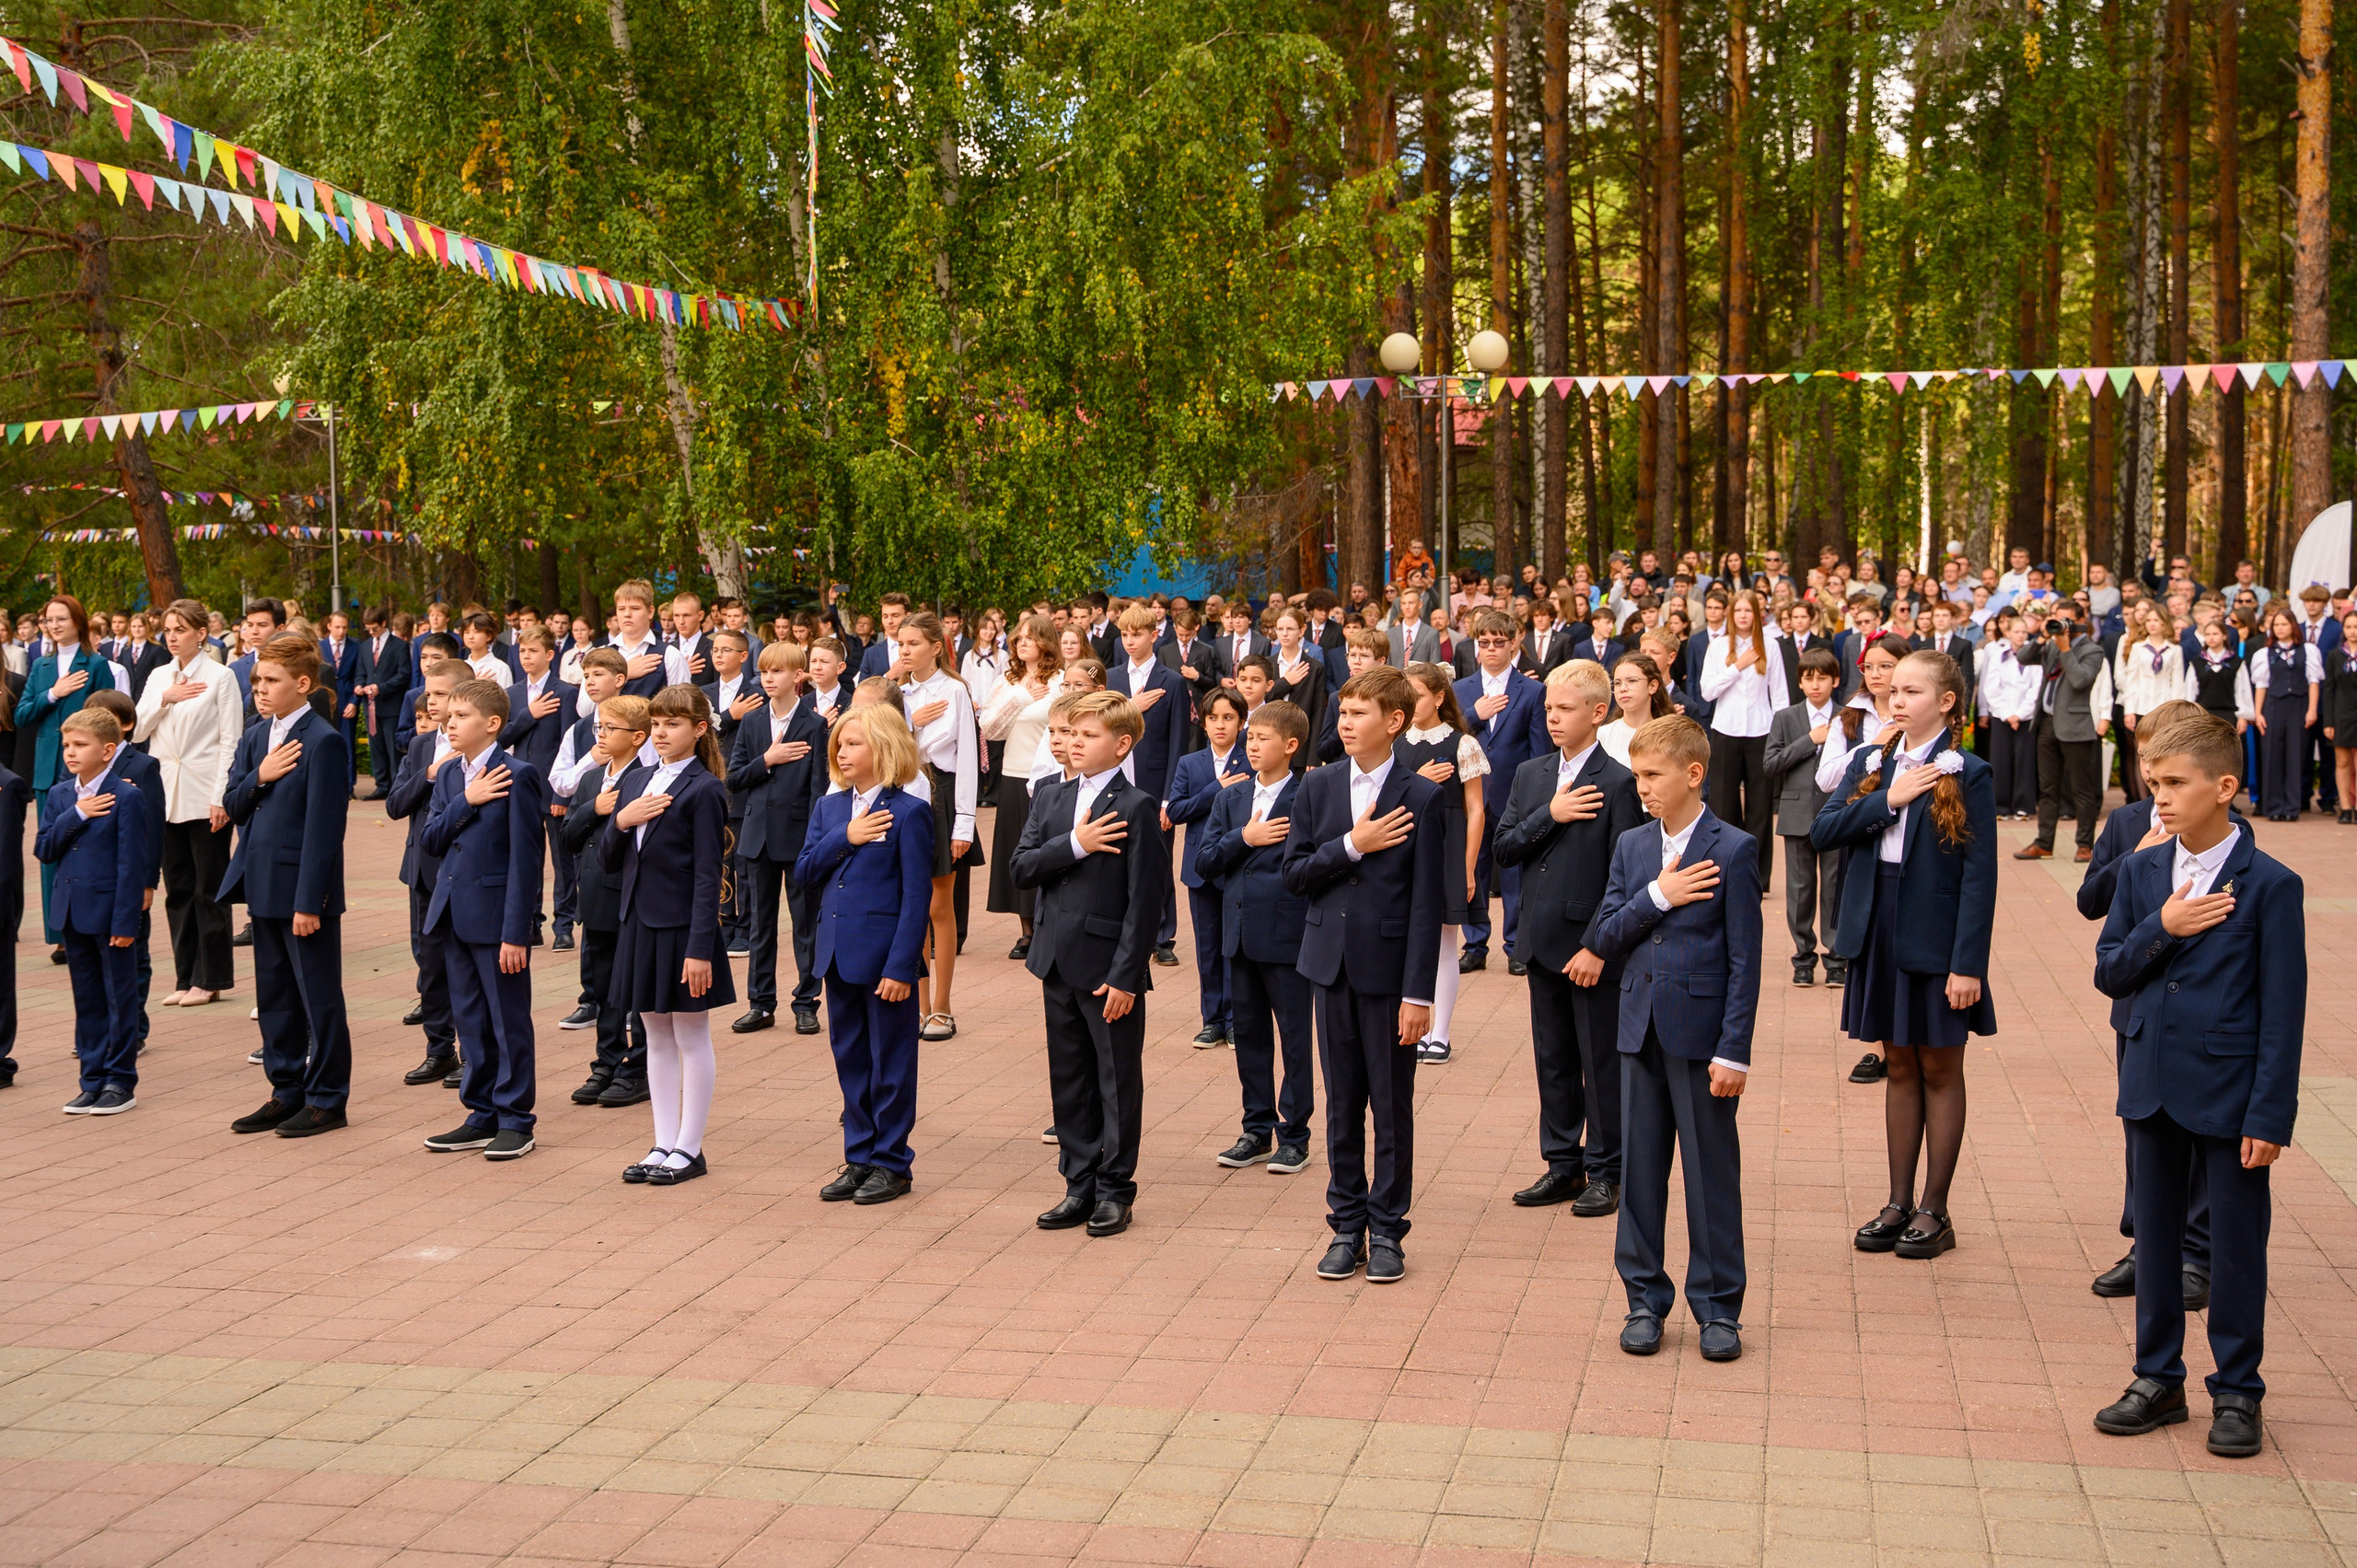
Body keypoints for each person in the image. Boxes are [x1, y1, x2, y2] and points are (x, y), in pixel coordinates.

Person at [2091, 707, 2304, 1460]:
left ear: (2225, 786)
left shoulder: (2272, 884)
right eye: (2152, 784)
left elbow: (2284, 1009)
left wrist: (2271, 1114)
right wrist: (2165, 927)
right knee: (2153, 1241)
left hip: (2229, 1093)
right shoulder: (2144, 869)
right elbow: (2108, 967)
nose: (2161, 799)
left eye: (2176, 783)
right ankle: (2158, 1377)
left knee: (2238, 1247)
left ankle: (2239, 1389)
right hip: (2149, 1082)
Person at [1586, 714, 1760, 1363]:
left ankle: (1718, 1307)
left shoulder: (1734, 847)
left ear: (1693, 774)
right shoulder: (1633, 847)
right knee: (1640, 1172)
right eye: (1637, 776)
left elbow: (1745, 959)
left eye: (1653, 775)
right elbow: (1603, 936)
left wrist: (1734, 1048)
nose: (1642, 787)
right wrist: (1659, 893)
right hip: (1638, 1032)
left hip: (1702, 1037)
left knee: (1711, 1174)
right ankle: (1643, 1299)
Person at [1813, 650, 1998, 1260]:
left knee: (1940, 1066)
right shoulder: (1870, 760)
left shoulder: (1967, 770)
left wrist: (1967, 962)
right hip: (1879, 929)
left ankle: (1935, 1208)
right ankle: (1897, 1200)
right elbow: (1824, 830)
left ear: (1946, 701)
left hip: (1937, 935)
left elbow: (1979, 876)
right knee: (1897, 1063)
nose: (1896, 698)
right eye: (1892, 689)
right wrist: (1887, 798)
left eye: (1912, 690)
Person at [1283, 667, 1446, 1284]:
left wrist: (1417, 993)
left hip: (1388, 972)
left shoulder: (1423, 796)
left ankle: (1388, 1228)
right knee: (1342, 1102)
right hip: (1328, 967)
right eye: (1342, 712)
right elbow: (1295, 873)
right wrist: (1353, 843)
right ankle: (1346, 1224)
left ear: (1395, 721)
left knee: (1391, 1106)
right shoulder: (1318, 787)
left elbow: (1428, 902)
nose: (1345, 723)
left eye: (1358, 713)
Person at [2077, 702, 2223, 1309]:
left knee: (2196, 1124)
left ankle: (2196, 1251)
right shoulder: (2129, 821)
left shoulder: (2219, 820)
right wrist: (2134, 855)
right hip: (2136, 999)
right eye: (2144, 764)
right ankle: (2146, 1243)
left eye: (2167, 770)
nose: (2155, 783)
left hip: (2199, 1006)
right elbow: (2091, 901)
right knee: (2143, 1124)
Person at [1493, 659, 1645, 1214]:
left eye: (1565, 708)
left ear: (1598, 714)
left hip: (1591, 949)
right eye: (1549, 708)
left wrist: (1598, 946)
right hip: (1539, 941)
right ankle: (1562, 1163)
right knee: (1553, 1057)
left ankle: (1608, 1168)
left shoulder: (1620, 783)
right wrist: (1551, 814)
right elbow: (1504, 848)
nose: (1553, 717)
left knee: (1600, 1060)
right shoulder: (1532, 775)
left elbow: (1625, 874)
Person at [1014, 691, 1167, 1239]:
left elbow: (1145, 900)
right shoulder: (1051, 798)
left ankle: (1114, 1189)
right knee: (1070, 1078)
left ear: (1121, 744)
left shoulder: (1137, 806)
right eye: (1070, 734)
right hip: (1055, 959)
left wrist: (1127, 975)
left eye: (1088, 735)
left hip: (1108, 970)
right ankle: (1077, 1183)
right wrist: (1074, 845)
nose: (1074, 743)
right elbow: (1023, 868)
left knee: (1116, 1080)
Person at [795, 703, 935, 1205]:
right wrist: (846, 836)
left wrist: (902, 967)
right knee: (850, 1058)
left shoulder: (910, 812)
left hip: (885, 963)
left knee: (891, 1062)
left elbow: (917, 898)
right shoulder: (829, 809)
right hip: (837, 957)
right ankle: (859, 1155)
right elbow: (804, 872)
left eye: (854, 742)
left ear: (885, 748)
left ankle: (892, 1162)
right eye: (839, 743)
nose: (841, 750)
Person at [217, 633, 354, 1139]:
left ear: (302, 684)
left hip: (302, 893)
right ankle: (286, 1090)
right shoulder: (257, 736)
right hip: (262, 884)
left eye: (271, 680)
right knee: (275, 995)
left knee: (317, 997)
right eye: (256, 679)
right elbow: (233, 805)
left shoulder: (325, 740)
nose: (260, 688)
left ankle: (327, 1099)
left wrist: (309, 901)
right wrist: (260, 774)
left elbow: (324, 830)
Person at [600, 683, 734, 1186]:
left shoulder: (704, 789)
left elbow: (707, 874)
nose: (660, 733)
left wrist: (701, 948)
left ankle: (690, 1147)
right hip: (639, 923)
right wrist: (619, 820)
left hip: (683, 931)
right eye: (656, 724)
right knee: (653, 1033)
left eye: (672, 724)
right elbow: (608, 861)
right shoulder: (636, 781)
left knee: (691, 1034)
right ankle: (661, 1141)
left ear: (699, 730)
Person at [418, 679, 548, 1162]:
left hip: (497, 922)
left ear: (492, 724)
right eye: (447, 715)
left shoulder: (520, 773)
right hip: (452, 915)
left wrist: (517, 932)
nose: (449, 723)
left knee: (506, 1019)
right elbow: (431, 838)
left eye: (460, 716)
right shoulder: (452, 775)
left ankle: (516, 1118)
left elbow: (526, 860)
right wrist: (467, 800)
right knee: (470, 1020)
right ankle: (480, 1113)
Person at [1193, 697, 1316, 1175]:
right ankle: (1256, 1128)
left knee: (1294, 1038)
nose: (1252, 744)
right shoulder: (1230, 797)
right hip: (1238, 936)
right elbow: (1205, 862)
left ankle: (1296, 1135)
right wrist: (1244, 838)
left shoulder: (1309, 794)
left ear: (1290, 745)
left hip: (1288, 936)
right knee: (1248, 1036)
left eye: (1263, 738)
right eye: (1251, 737)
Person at [133, 599, 243, 1010]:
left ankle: (211, 977)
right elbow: (136, 728)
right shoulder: (159, 676)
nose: (172, 636)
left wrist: (220, 797)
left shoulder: (222, 677)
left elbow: (230, 741)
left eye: (181, 629)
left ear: (201, 633)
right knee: (177, 888)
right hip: (164, 793)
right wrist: (166, 697)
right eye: (168, 629)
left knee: (208, 887)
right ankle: (184, 976)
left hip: (204, 792)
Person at [38, 707, 146, 1116]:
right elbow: (44, 848)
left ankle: (120, 1081)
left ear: (108, 750)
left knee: (119, 999)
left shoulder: (128, 796)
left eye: (80, 745)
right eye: (67, 745)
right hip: (71, 912)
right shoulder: (62, 795)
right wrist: (78, 813)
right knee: (87, 1001)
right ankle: (91, 1078)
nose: (70, 752)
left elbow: (131, 865)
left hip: (110, 914)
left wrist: (125, 921)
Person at [729, 642, 831, 1036]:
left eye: (777, 672)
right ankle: (760, 1002)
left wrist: (815, 839)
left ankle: (806, 1002)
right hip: (757, 836)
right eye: (764, 672)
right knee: (760, 923)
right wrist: (767, 759)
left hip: (798, 834)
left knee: (805, 923)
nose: (769, 679)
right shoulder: (753, 723)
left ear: (798, 676)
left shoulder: (816, 724)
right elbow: (734, 777)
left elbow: (819, 789)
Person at [558, 695, 652, 1109]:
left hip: (629, 895)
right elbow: (567, 835)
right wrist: (593, 810)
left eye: (609, 728)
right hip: (595, 893)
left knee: (632, 985)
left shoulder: (646, 778)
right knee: (602, 985)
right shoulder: (594, 778)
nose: (600, 734)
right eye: (599, 727)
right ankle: (607, 1060)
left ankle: (638, 1067)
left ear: (636, 737)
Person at [891, 611, 979, 1041]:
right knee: (911, 904)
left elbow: (965, 759)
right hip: (904, 795)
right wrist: (910, 723)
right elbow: (880, 744)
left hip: (940, 795)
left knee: (937, 906)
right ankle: (918, 1004)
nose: (904, 651)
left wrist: (965, 823)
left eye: (912, 644)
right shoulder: (897, 693)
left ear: (935, 646)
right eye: (900, 643)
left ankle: (942, 1006)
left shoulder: (955, 690)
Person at [1395, 663, 1487, 1064]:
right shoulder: (1394, 742)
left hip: (1447, 847)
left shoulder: (1462, 744)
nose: (1412, 703)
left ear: (1438, 697)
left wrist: (1467, 867)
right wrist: (1418, 778)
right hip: (1403, 844)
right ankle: (1411, 1026)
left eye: (1418, 694)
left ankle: (1441, 1033)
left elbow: (1476, 809)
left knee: (1446, 942)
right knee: (1406, 938)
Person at [19, 596, 119, 955]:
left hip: (90, 769)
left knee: (88, 847)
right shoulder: (42, 666)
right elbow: (23, 714)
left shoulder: (95, 664)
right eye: (49, 619)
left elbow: (109, 717)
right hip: (49, 769)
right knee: (53, 848)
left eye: (62, 618)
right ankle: (58, 934)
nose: (55, 625)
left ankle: (89, 922)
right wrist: (53, 693)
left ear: (79, 622)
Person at [1454, 609, 1549, 974]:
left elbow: (1539, 750)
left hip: (1514, 795)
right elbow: (1451, 737)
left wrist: (1533, 797)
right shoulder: (1461, 690)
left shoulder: (1533, 691)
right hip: (1471, 795)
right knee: (1472, 871)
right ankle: (1475, 943)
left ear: (1513, 644)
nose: (1491, 649)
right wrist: (1474, 714)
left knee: (1514, 873)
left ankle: (1515, 945)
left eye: (1498, 642)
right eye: (1484, 643)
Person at [1162, 688, 1250, 1048]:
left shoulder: (1250, 760)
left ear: (1241, 722)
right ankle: (1211, 1019)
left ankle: (1234, 1019)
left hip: (1237, 865)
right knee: (1208, 947)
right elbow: (1176, 810)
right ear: (1203, 720)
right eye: (1213, 718)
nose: (1220, 725)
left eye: (1228, 718)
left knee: (1235, 945)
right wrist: (1216, 789)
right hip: (1200, 867)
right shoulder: (1190, 762)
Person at [1108, 605, 1190, 966]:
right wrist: (1130, 706)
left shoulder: (1171, 681)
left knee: (1157, 859)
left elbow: (1178, 743)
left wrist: (1171, 797)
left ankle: (1162, 934)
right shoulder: (1112, 680)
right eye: (1125, 634)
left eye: (1137, 634)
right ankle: (1119, 928)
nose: (1130, 641)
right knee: (1114, 859)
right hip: (1115, 783)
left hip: (1155, 784)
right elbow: (1100, 724)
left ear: (1154, 635)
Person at [84, 692, 163, 1056]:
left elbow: (152, 828)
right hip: (93, 879)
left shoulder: (142, 767)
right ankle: (101, 1031)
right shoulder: (79, 765)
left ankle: (135, 1029)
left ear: (126, 725)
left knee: (135, 955)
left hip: (128, 878)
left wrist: (148, 882)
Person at [979, 617, 1060, 958]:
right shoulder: (1007, 681)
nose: (1021, 643)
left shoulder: (1059, 680)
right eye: (1018, 638)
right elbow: (990, 727)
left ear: (1045, 641)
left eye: (1030, 637)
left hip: (1050, 775)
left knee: (1049, 849)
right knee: (1019, 849)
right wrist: (1022, 697)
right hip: (1013, 774)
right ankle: (1026, 931)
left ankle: (1048, 924)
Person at [1767, 648, 1844, 986]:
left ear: (1835, 681)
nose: (1815, 685)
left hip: (1836, 812)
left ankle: (1836, 957)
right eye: (1809, 678)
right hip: (1797, 812)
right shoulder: (1786, 717)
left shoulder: (1848, 715)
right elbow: (1771, 764)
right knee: (1799, 889)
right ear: (1799, 682)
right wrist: (1809, 741)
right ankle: (1803, 957)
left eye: (1822, 678)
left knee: (1834, 886)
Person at [1699, 590, 1784, 885]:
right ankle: (1724, 868)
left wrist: (1780, 734)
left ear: (1758, 615)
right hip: (1726, 729)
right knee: (1724, 802)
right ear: (1731, 615)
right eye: (1739, 611)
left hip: (1762, 731)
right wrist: (1738, 666)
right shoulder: (1718, 646)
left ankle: (1758, 877)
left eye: (1749, 611)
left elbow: (1781, 695)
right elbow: (1707, 691)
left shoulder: (1770, 646)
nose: (1744, 616)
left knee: (1760, 807)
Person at [2020, 608, 2107, 863]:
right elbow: (2023, 658)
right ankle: (2044, 843)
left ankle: (2085, 845)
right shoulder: (2050, 644)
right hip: (2047, 724)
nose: (2061, 622)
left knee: (2082, 789)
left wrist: (2066, 647)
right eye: (2057, 617)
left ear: (2080, 621)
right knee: (2047, 788)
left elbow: (2080, 680)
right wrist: (2041, 637)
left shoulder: (2093, 650)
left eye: (2066, 618)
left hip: (2076, 726)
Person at [2250, 605, 2322, 820]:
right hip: (2273, 706)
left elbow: (2314, 682)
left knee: (2295, 755)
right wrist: (2258, 713)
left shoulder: (2308, 650)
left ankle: (2292, 807)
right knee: (2271, 754)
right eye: (2276, 625)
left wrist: (2311, 710)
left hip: (2298, 707)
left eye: (2284, 624)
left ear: (2293, 626)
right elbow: (2261, 685)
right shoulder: (2265, 653)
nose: (2280, 629)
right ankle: (2273, 807)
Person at [1979, 610, 2041, 819]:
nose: (2021, 635)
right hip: (2001, 716)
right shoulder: (1999, 656)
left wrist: (2020, 714)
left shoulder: (2034, 655)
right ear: (2009, 632)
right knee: (2001, 760)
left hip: (2026, 717)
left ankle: (2023, 805)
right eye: (2017, 631)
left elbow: (2036, 689)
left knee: (2024, 761)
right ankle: (2001, 806)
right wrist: (2007, 715)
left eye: (2024, 631)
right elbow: (1991, 688)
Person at [1599, 653, 1672, 767]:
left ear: (1652, 686)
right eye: (1618, 683)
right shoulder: (1602, 735)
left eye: (1632, 681)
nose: (1623, 688)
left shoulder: (1669, 736)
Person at [2324, 610, 2357, 823]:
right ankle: (2345, 808)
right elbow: (2328, 689)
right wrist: (2329, 721)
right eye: (2349, 627)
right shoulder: (2335, 655)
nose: (2353, 631)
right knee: (2343, 762)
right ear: (2343, 630)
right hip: (2342, 713)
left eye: (2356, 627)